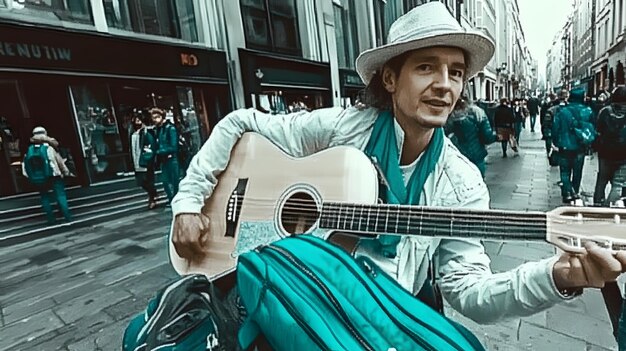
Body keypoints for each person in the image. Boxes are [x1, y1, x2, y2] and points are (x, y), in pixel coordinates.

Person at [171, 2, 626, 325]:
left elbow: (468, 292)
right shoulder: (341, 129)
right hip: (286, 297)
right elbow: (238, 123)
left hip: (372, 322)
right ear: (390, 78)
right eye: (426, 67)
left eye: (455, 71)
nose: (445, 85)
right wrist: (189, 202)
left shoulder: (461, 184)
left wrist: (556, 276)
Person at [552, 88, 595, 204]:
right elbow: (592, 128)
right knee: (577, 171)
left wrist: (555, 142)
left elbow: (556, 128)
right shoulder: (588, 111)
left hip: (565, 145)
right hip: (580, 146)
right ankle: (575, 192)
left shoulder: (563, 111)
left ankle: (567, 193)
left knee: (565, 172)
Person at [22, 126, 72, 224]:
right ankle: (67, 216)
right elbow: (59, 162)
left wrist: (32, 177)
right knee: (60, 194)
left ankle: (51, 219)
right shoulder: (49, 148)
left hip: (39, 177)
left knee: (44, 196)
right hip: (53, 175)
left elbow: (25, 167)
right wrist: (66, 172)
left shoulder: (29, 150)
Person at [444, 93, 496, 177]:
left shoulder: (446, 115)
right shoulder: (478, 113)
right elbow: (487, 137)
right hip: (476, 156)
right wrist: (497, 137)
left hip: (454, 158)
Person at [594, 86, 626, 205]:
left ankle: (598, 203)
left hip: (605, 152)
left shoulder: (605, 111)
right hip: (624, 154)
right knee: (619, 182)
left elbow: (598, 130)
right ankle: (612, 205)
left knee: (602, 180)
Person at [152, 107, 180, 206]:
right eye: (153, 118)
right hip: (164, 159)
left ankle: (175, 199)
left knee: (174, 181)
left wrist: (160, 151)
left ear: (161, 117)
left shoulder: (170, 128)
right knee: (165, 181)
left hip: (171, 158)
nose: (154, 120)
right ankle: (171, 199)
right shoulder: (157, 130)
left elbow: (174, 146)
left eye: (156, 117)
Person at [130, 114, 158, 209]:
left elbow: (150, 146)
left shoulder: (146, 132)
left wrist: (148, 158)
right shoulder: (133, 133)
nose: (137, 122)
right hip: (137, 160)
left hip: (145, 160)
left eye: (139, 120)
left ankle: (152, 197)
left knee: (147, 180)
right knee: (141, 181)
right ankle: (152, 195)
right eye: (135, 120)